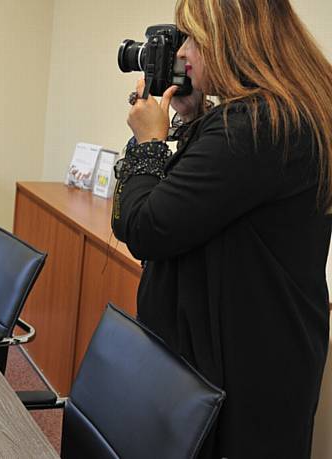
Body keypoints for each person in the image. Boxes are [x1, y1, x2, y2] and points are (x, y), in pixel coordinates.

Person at [112, 0, 332, 457]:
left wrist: (147, 142)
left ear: (233, 41)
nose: (183, 53)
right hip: (264, 352)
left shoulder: (255, 126)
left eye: (194, 38)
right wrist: (192, 115)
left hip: (237, 371)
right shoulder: (280, 115)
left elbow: (145, 226)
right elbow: (208, 205)